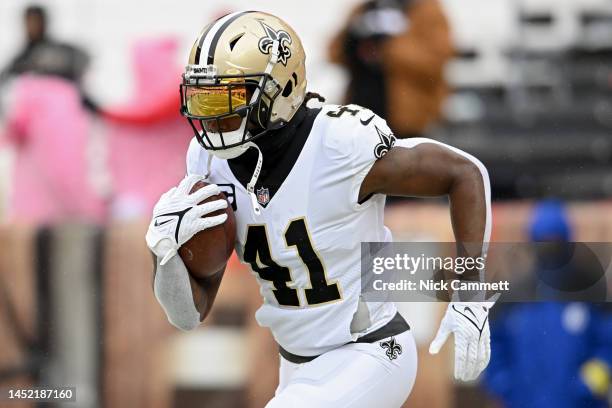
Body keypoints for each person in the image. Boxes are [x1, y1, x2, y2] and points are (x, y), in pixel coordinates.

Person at [145, 11, 492, 407]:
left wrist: (471, 292)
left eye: (231, 99)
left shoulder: (339, 144)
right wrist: (163, 253)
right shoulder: (208, 161)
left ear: (282, 88)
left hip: (372, 353)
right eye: (203, 99)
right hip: (296, 367)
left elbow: (464, 173)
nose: (214, 118)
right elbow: (187, 314)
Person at [484, 201, 612, 408]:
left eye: (555, 240)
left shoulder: (589, 290)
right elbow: (491, 347)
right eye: (542, 241)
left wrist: (587, 385)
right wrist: (504, 383)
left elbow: (608, 344)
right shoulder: (514, 295)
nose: (549, 247)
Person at [328, 0, 454, 138]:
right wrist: (353, 41)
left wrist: (387, 47)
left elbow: (435, 61)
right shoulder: (364, 9)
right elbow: (334, 54)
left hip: (407, 121)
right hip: (361, 118)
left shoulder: (426, 10)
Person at [0, 5, 98, 112]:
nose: (32, 26)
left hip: (63, 110)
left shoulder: (60, 51)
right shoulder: (22, 58)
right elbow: (5, 79)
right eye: (29, 21)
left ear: (44, 22)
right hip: (33, 115)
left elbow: (82, 62)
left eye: (36, 21)